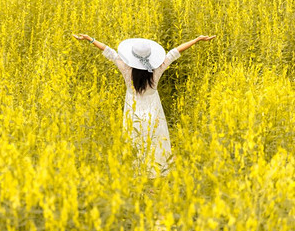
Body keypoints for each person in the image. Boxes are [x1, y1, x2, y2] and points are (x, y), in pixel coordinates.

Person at [72, 33, 216, 179]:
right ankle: (156, 170)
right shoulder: (158, 68)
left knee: (134, 137)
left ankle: (136, 171)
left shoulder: (125, 68)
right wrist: (197, 39)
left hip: (133, 107)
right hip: (153, 107)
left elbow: (109, 52)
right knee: (155, 137)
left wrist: (89, 39)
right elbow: (175, 52)